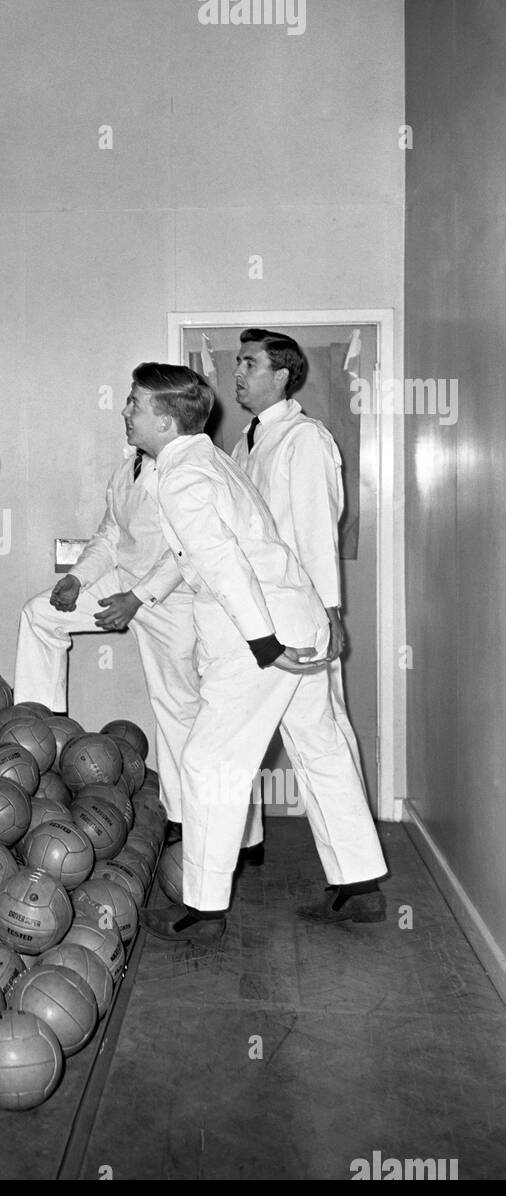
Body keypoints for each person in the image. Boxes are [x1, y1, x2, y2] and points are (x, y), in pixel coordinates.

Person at [122, 363, 363, 944]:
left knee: (208, 761)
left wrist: (264, 643)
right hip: (293, 615)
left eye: (133, 403)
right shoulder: (202, 461)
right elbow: (197, 559)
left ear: (163, 416)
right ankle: (359, 884)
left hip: (258, 632)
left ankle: (203, 911)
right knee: (320, 745)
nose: (124, 412)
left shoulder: (183, 476)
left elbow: (224, 566)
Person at [229, 328, 388, 918]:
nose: (238, 374)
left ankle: (360, 884)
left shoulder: (305, 440)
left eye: (250, 363)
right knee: (255, 737)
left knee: (319, 740)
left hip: (298, 618)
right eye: (238, 362)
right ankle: (248, 849)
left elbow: (319, 532)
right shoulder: (249, 444)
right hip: (258, 620)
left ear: (283, 376)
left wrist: (330, 614)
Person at [13, 443, 199, 833]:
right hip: (124, 580)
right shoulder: (126, 469)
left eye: (135, 402)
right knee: (40, 614)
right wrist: (77, 579)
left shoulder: (185, 467)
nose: (126, 411)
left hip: (173, 596)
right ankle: (36, 737)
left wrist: (137, 599)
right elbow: (109, 537)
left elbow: (188, 549)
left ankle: (186, 819)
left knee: (176, 704)